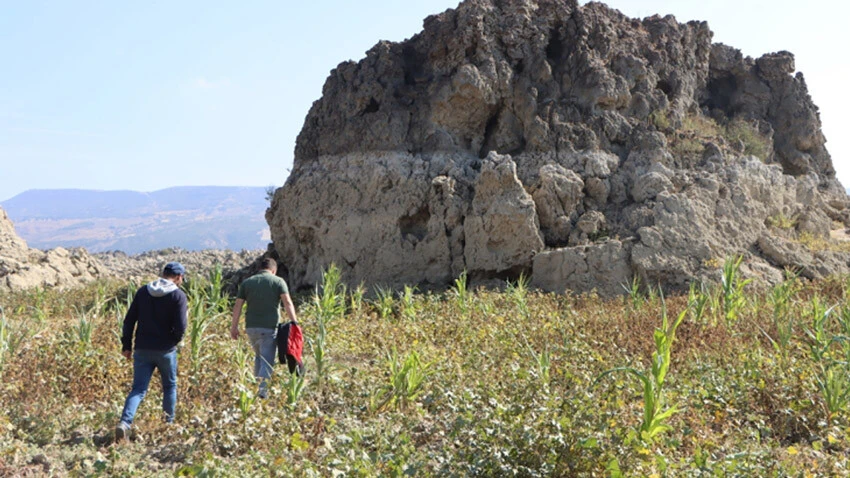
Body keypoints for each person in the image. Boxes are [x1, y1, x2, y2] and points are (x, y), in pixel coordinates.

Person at [116, 262, 188, 440]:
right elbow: (181, 326)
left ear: (162, 274)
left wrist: (126, 345)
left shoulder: (143, 291)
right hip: (165, 350)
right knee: (169, 387)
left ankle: (125, 423)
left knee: (138, 389)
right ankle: (167, 425)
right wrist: (174, 341)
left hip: (142, 348)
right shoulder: (178, 296)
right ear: (179, 277)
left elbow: (129, 320)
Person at [231, 258, 298, 398]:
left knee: (258, 357)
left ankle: (256, 387)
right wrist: (295, 322)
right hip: (269, 328)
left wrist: (234, 327)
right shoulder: (278, 281)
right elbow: (287, 303)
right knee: (267, 361)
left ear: (259, 269)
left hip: (251, 327)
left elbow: (237, 306)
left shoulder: (247, 282)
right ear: (274, 270)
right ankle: (262, 393)